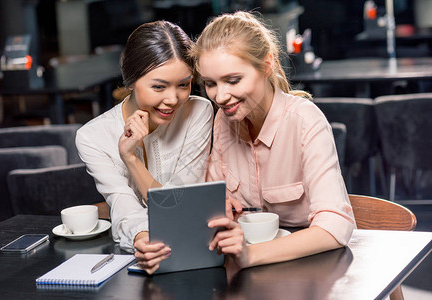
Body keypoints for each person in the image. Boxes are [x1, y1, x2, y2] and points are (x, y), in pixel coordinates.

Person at [190, 11, 356, 270]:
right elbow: (212, 204)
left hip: (310, 271)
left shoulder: (305, 120)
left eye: (233, 80)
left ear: (267, 64)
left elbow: (335, 227)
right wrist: (218, 208)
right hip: (246, 278)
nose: (220, 97)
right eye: (210, 84)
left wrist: (250, 255)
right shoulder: (223, 120)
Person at [76, 21, 213, 274]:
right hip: (137, 256)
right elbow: (121, 202)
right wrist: (141, 238)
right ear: (130, 81)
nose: (173, 99)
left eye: (183, 84)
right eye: (159, 87)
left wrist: (130, 158)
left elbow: (179, 205)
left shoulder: (198, 112)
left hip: (194, 250)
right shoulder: (92, 137)